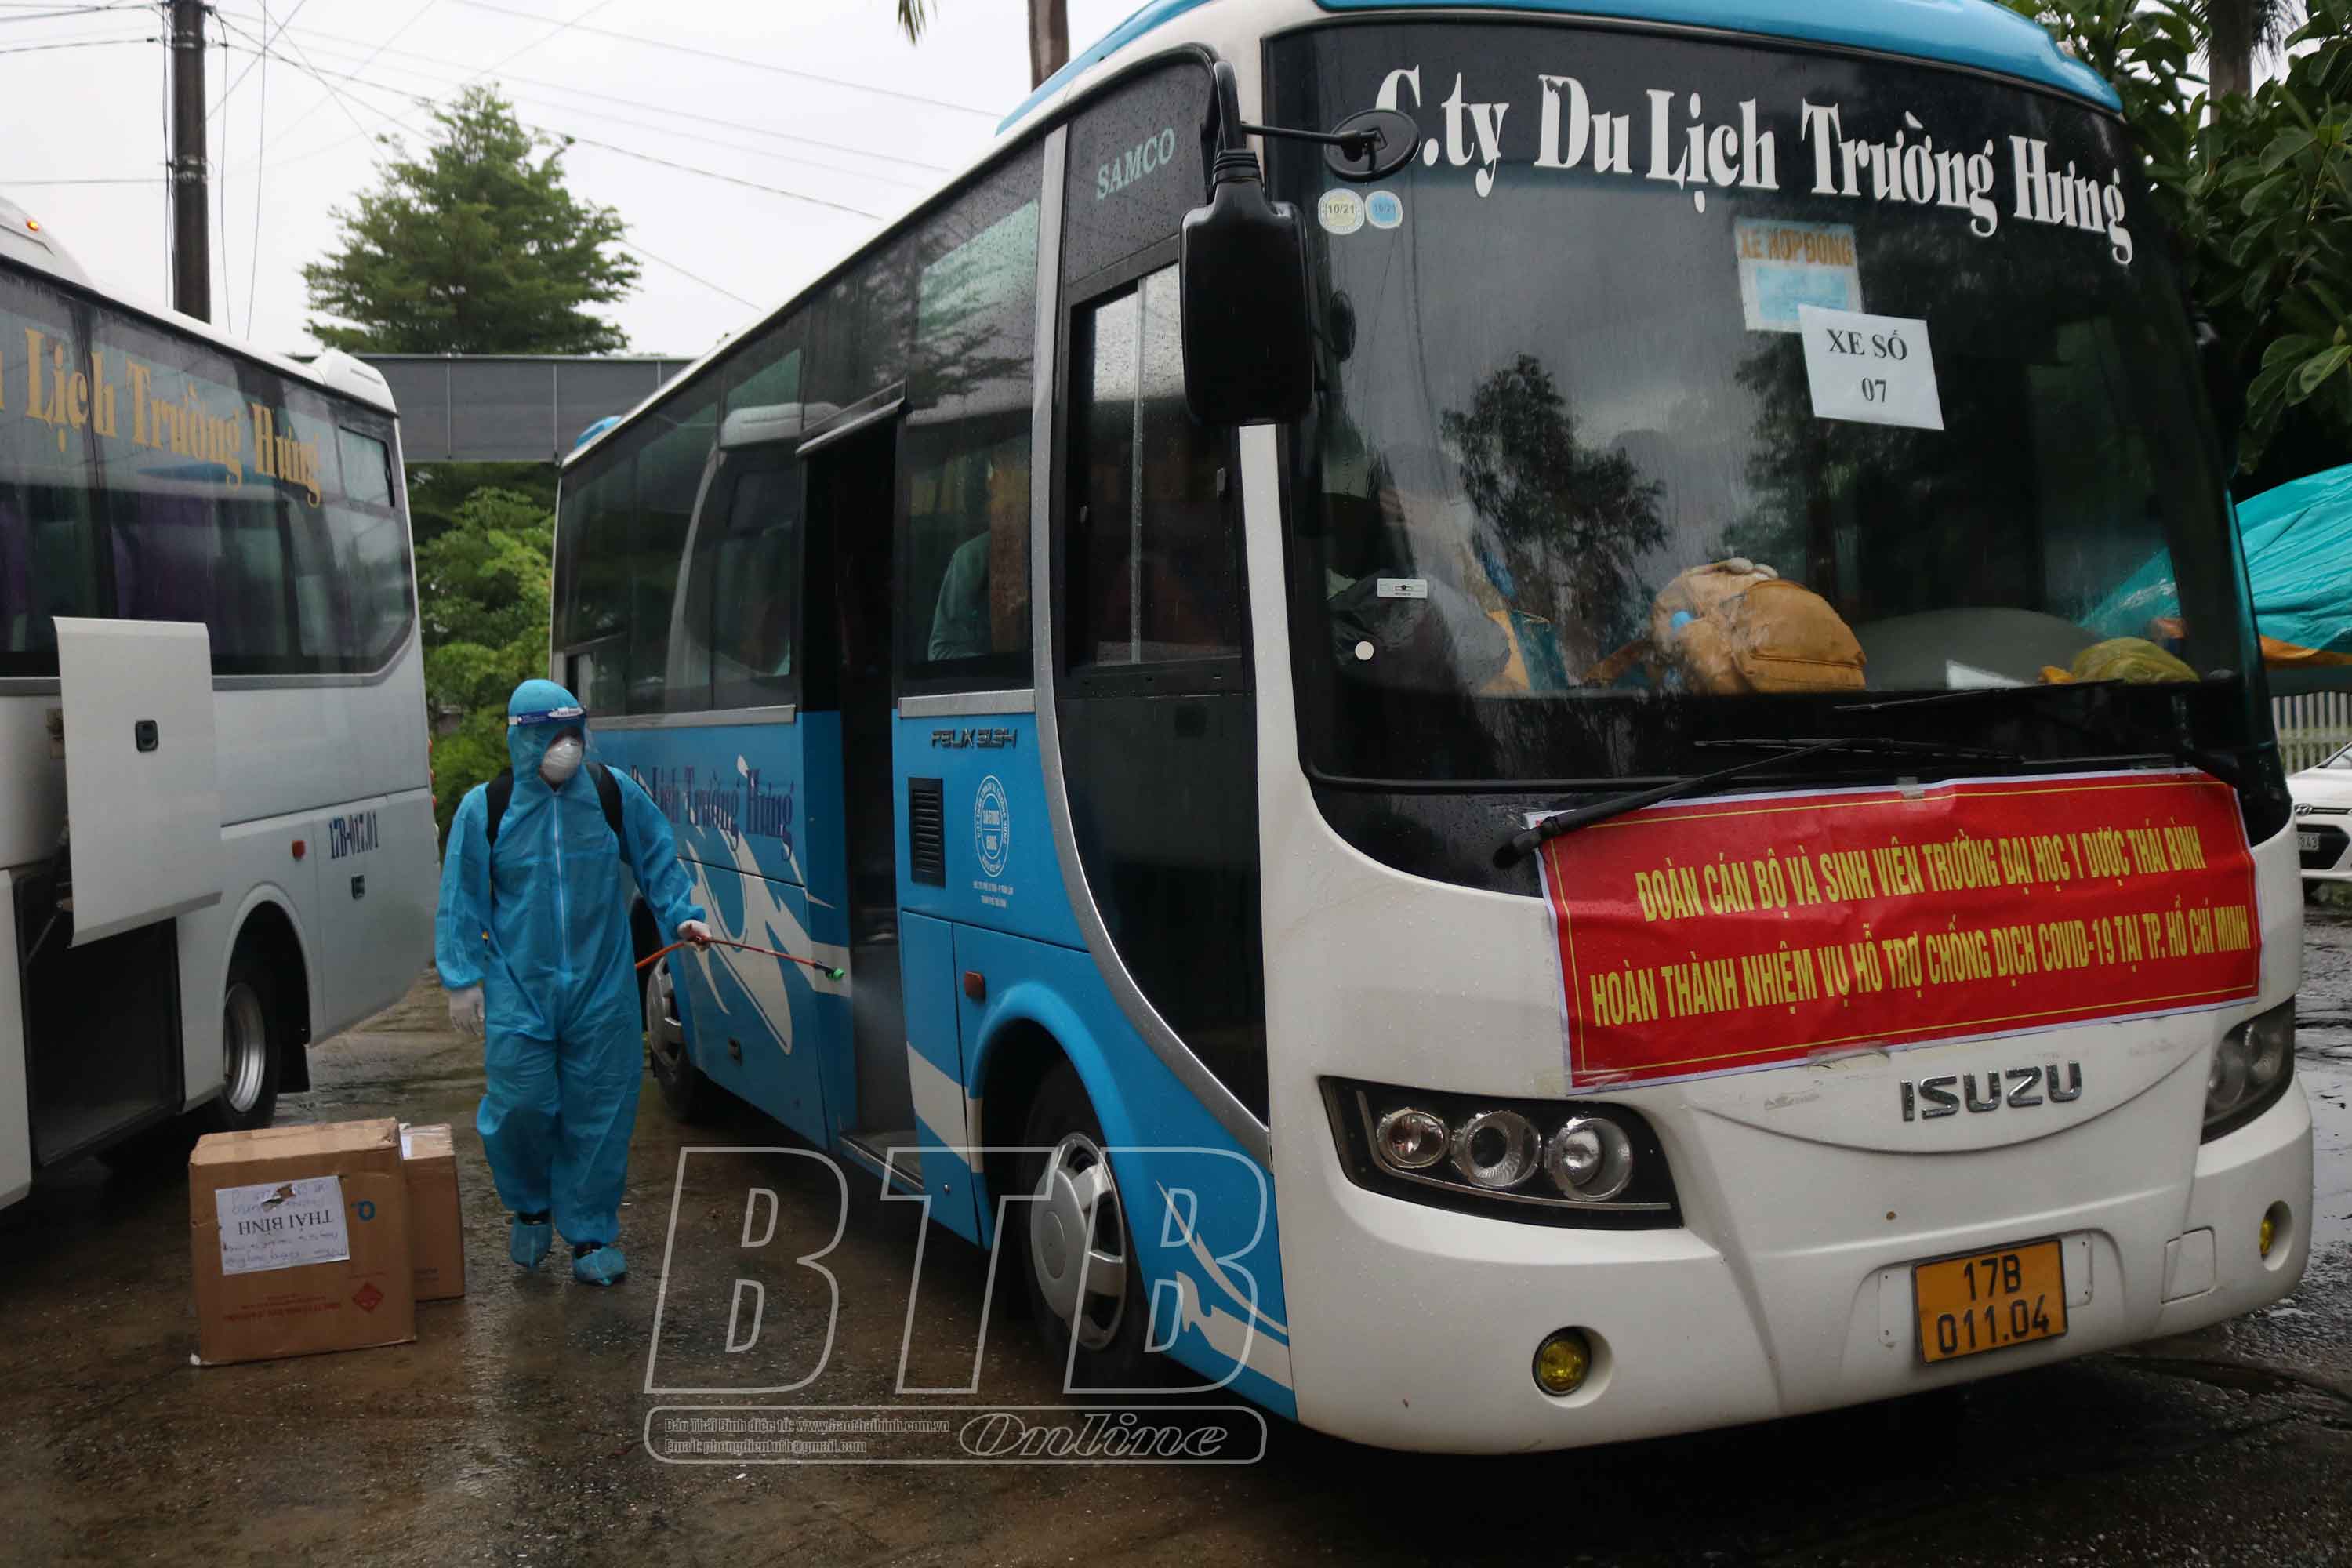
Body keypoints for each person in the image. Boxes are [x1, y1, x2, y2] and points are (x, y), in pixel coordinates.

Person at [435, 679, 712, 1286]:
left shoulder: (612, 793)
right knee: (520, 1106)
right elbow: (461, 897)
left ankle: (591, 1234)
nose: (565, 745)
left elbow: (657, 856)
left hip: (601, 986)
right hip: (519, 988)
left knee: (601, 1110)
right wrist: (462, 977)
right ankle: (531, 1206)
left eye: (572, 732)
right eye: (550, 734)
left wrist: (681, 914)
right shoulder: (487, 808)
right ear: (522, 739)